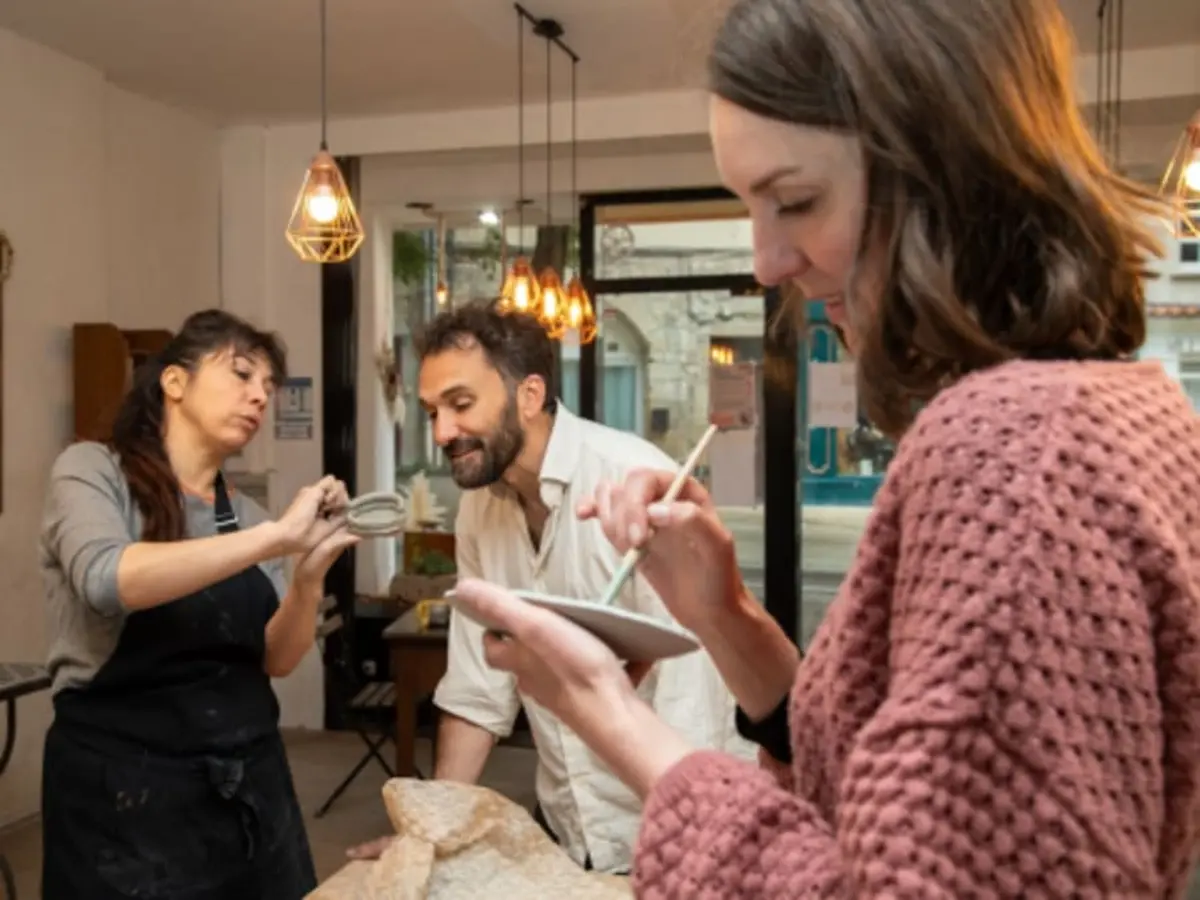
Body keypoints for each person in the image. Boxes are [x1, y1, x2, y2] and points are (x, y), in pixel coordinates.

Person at [444, 0, 1200, 897]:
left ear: (951, 173)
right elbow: (878, 791)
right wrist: (724, 615)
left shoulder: (1016, 458)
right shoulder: (1100, 409)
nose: (765, 261)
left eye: (796, 201)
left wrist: (605, 711)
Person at [349, 304, 752, 874]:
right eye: (432, 411)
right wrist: (431, 834)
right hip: (569, 831)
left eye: (461, 405)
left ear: (530, 395)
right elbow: (477, 688)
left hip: (676, 831)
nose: (442, 432)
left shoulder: (632, 485)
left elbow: (694, 709)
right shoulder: (477, 511)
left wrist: (688, 860)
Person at [40, 309, 359, 900]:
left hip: (248, 784)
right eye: (242, 375)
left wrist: (308, 578)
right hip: (125, 791)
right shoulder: (91, 471)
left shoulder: (248, 517)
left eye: (267, 388)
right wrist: (277, 540)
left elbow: (276, 659)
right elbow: (107, 578)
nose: (258, 396)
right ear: (174, 381)